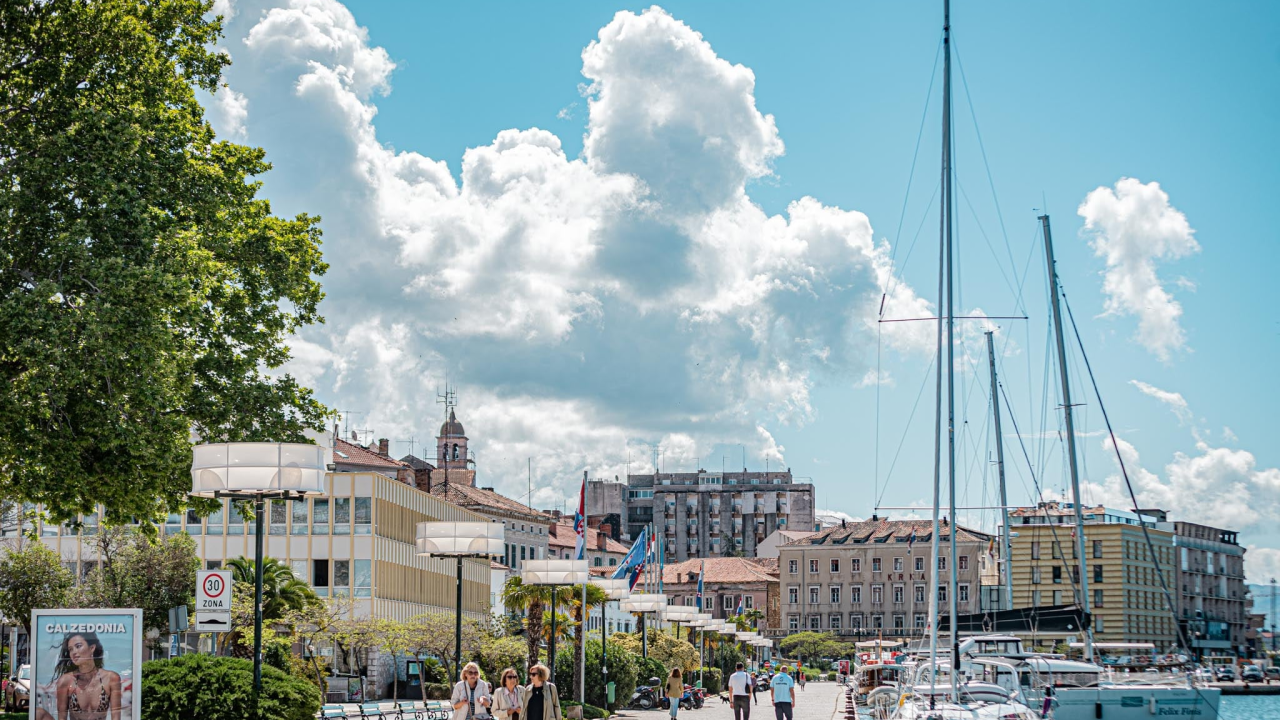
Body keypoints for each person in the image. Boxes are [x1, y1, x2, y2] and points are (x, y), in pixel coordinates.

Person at [45, 632, 123, 720]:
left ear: (92, 648)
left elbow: (116, 717)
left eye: (78, 646)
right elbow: (62, 718)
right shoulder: (65, 681)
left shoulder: (111, 678)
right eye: (70, 649)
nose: (74, 652)